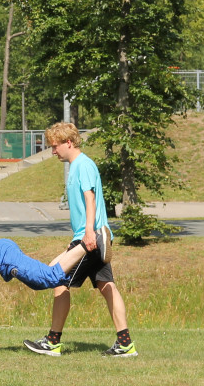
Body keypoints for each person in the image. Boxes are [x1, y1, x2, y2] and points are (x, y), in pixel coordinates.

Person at [23, 122, 136, 358]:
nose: (53, 151)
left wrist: (86, 235)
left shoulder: (83, 165)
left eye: (55, 146)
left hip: (91, 239)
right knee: (107, 286)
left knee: (58, 279)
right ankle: (125, 344)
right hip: (90, 237)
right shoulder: (77, 166)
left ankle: (53, 342)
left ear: (69, 143)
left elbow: (90, 199)